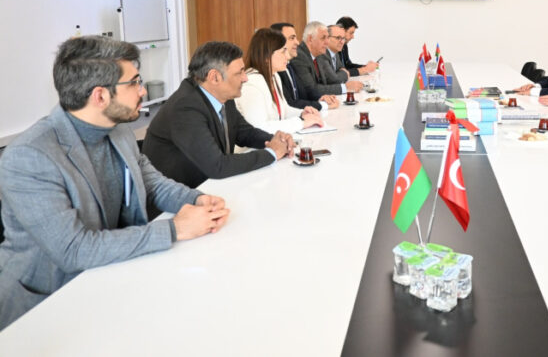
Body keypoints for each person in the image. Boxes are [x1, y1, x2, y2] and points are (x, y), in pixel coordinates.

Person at [0, 36, 229, 329]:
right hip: (46, 309)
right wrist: (174, 229)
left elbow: (152, 183)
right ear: (100, 96)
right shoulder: (30, 156)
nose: (143, 90)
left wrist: (196, 199)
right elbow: (74, 250)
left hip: (111, 279)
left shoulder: (117, 130)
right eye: (134, 83)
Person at [143, 41, 295, 189]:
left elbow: (245, 133)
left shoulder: (222, 95)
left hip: (211, 187)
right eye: (239, 72)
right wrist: (271, 153)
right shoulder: (185, 107)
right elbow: (217, 165)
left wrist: (277, 140)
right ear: (214, 77)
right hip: (181, 197)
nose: (245, 78)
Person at [235, 28, 323, 137]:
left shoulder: (274, 76)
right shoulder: (251, 83)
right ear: (267, 56)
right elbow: (259, 128)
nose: (287, 56)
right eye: (283, 51)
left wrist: (301, 113)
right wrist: (301, 122)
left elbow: (283, 110)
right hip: (254, 146)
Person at [270, 22, 339, 112]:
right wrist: (322, 105)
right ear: (277, 42)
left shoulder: (289, 66)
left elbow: (303, 92)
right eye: (292, 38)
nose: (297, 42)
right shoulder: (277, 70)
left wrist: (320, 98)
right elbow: (290, 104)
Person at [290, 21, 363, 99]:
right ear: (310, 39)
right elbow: (312, 90)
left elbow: (326, 83)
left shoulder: (318, 54)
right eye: (323, 38)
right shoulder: (299, 56)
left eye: (328, 37)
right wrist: (345, 87)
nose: (327, 42)